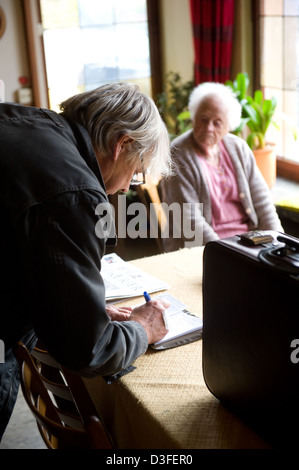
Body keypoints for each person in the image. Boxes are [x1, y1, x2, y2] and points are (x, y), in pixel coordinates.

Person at [0, 82, 172, 439]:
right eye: (136, 171)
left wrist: (77, 307)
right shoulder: (74, 191)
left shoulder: (27, 121)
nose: (127, 188)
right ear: (121, 144)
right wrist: (143, 328)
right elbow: (88, 349)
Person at [159, 82, 283, 252]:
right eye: (203, 120)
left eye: (217, 123)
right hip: (202, 249)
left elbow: (262, 201)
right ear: (193, 117)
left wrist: (278, 241)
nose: (208, 128)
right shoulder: (179, 153)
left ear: (228, 127)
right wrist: (226, 254)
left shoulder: (238, 148)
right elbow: (190, 222)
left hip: (248, 244)